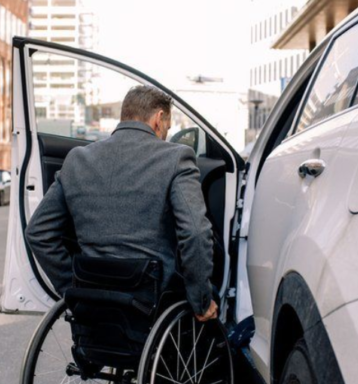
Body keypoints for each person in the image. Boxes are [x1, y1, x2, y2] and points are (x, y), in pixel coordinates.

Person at [25, 85, 218, 322]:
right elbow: (196, 233)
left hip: (92, 292)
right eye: (167, 127)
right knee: (210, 295)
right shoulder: (176, 157)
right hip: (153, 299)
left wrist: (73, 287)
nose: (166, 134)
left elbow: (37, 232)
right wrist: (201, 301)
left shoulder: (77, 159)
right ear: (159, 119)